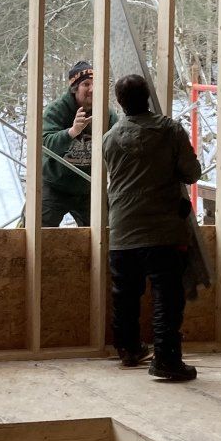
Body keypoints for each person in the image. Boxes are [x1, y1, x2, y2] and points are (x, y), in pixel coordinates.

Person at [101, 72, 201, 383]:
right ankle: (167, 360)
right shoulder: (169, 131)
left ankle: (129, 350)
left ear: (120, 102)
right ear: (147, 97)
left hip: (122, 230)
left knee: (125, 294)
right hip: (162, 230)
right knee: (167, 296)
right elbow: (191, 173)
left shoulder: (110, 138)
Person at [41, 61, 110, 226]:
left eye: (96, 84)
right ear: (74, 88)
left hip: (88, 188)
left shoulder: (106, 113)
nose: (92, 89)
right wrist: (72, 132)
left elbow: (117, 144)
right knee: (37, 230)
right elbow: (44, 144)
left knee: (106, 232)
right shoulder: (56, 110)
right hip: (55, 185)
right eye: (86, 84)